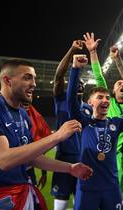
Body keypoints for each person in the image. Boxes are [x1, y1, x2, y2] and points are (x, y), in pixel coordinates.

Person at [0, 59, 93, 209]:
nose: (34, 83)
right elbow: (3, 159)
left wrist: (70, 168)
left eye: (33, 78)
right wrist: (57, 136)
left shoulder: (22, 114)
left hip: (22, 191)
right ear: (7, 80)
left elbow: (30, 158)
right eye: (27, 77)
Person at [67, 54, 123, 210]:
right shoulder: (84, 121)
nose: (105, 100)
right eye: (100, 97)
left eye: (107, 98)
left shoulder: (116, 122)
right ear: (90, 103)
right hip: (87, 186)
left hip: (111, 187)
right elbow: (71, 101)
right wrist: (75, 69)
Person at [84, 32, 123, 209]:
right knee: (114, 196)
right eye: (119, 85)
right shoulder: (109, 105)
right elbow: (98, 76)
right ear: (113, 91)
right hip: (115, 156)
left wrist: (117, 60)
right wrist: (93, 52)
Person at [51, 40, 86, 210]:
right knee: (61, 199)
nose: (78, 86)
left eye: (81, 85)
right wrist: (72, 50)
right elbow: (59, 76)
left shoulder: (87, 108)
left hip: (83, 158)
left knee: (81, 200)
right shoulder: (61, 99)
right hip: (64, 158)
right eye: (76, 83)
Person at [21, 101, 52, 189]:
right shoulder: (1, 114)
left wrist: (44, 173)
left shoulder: (35, 118)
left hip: (28, 170)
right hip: (7, 174)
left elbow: (40, 148)